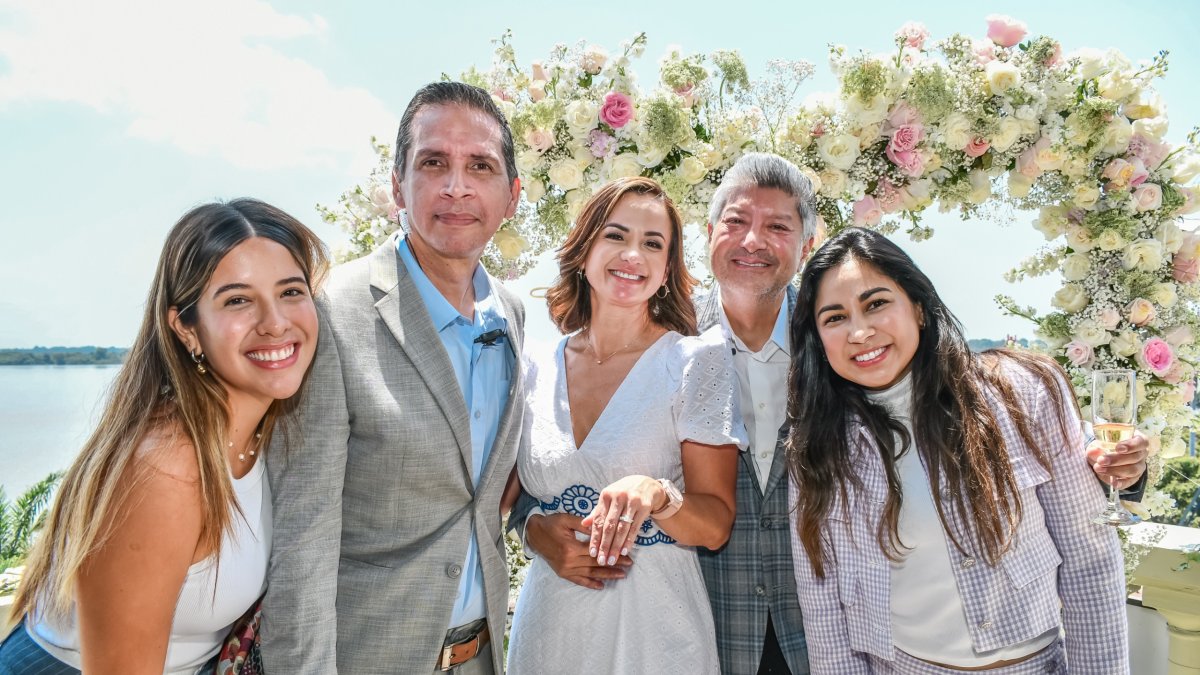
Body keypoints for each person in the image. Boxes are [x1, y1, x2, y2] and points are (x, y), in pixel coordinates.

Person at [516, 152, 1147, 675]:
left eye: (780, 227)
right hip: (705, 624)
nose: (754, 241)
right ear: (708, 237)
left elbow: (963, 417)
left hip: (828, 635)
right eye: (735, 222)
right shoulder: (674, 346)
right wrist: (532, 525)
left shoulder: (844, 341)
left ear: (808, 243)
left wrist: (1105, 466)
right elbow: (539, 470)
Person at [260, 81, 525, 675]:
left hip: (484, 656)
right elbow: (302, 538)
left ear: (511, 196)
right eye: (434, 163)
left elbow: (486, 491)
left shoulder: (512, 315)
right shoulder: (330, 312)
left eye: (479, 166)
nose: (456, 186)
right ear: (397, 185)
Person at [0, 199, 327, 674]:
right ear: (186, 328)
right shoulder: (166, 468)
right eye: (237, 299)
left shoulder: (271, 434)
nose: (275, 322)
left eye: (291, 292)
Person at [785, 227, 1128, 673]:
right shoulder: (819, 446)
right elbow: (824, 609)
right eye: (834, 317)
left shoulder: (1024, 393)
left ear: (920, 309)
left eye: (876, 304)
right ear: (819, 339)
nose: (860, 331)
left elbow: (1090, 560)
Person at [505, 176, 747, 674]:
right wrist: (532, 532)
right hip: (550, 627)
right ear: (585, 248)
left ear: (666, 269)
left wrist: (657, 492)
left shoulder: (694, 360)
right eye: (616, 235)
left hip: (656, 632)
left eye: (652, 243)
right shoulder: (532, 365)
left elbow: (716, 524)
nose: (633, 254)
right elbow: (503, 500)